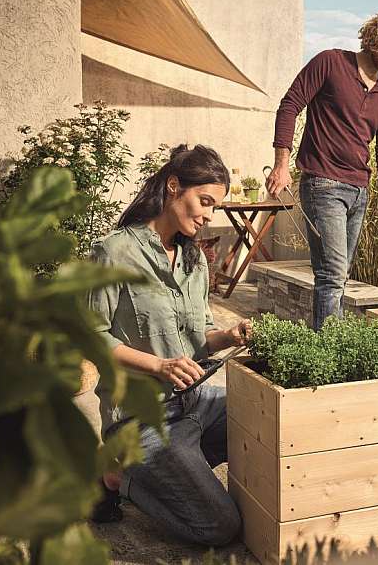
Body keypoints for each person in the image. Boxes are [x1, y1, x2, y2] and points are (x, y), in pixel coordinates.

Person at [87, 144, 250, 546]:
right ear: (174, 187)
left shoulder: (195, 261)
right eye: (205, 201)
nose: (210, 215)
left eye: (215, 206)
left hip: (196, 403)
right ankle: (116, 474)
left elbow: (201, 336)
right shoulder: (116, 252)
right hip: (143, 418)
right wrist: (159, 367)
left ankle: (172, 471)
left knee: (270, 421)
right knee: (220, 527)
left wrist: (228, 337)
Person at [266, 10, 378, 330]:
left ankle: (324, 344)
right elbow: (290, 105)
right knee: (333, 275)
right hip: (323, 183)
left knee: (336, 276)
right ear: (377, 40)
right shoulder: (330, 63)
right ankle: (329, 347)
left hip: (358, 192)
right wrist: (282, 165)